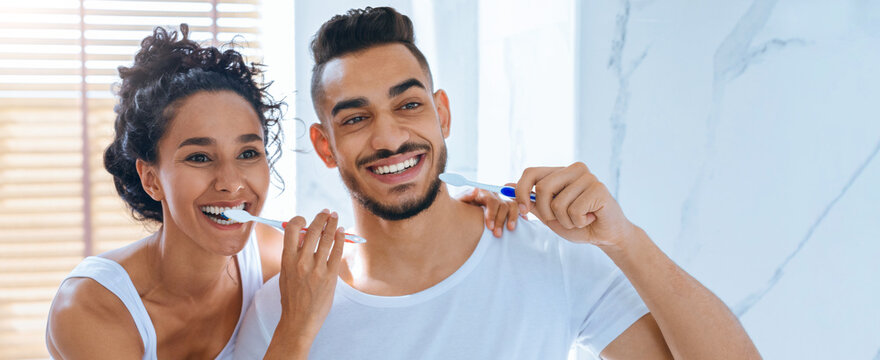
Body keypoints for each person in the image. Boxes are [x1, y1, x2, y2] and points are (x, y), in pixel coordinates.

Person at [234, 7, 762, 360]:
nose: (390, 137)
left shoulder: (544, 257)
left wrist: (624, 240)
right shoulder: (288, 313)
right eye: (355, 118)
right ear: (325, 146)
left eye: (409, 105)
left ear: (442, 115)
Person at [44, 24, 518, 359]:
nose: (231, 182)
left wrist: (457, 211)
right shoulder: (91, 310)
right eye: (199, 157)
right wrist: (296, 326)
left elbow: (384, 249)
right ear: (150, 178)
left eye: (248, 153)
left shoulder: (272, 258)